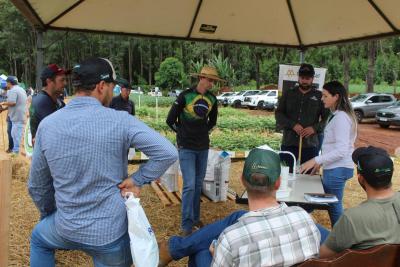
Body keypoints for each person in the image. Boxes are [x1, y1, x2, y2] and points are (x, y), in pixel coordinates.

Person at [28, 57, 178, 267]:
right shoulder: (120, 120)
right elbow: (168, 152)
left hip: (65, 226)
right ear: (101, 86)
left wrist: (49, 214)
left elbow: (36, 185)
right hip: (109, 233)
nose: (113, 91)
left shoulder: (48, 125)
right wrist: (137, 179)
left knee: (39, 240)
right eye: (112, 87)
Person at [158, 148, 321, 267]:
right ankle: (174, 249)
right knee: (238, 216)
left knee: (200, 253)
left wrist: (217, 254)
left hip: (230, 247)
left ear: (242, 180)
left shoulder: (231, 238)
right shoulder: (305, 218)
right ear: (278, 182)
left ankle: (173, 249)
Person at [166, 66, 221, 236]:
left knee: (198, 184)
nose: (212, 83)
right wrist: (181, 133)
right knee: (189, 185)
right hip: (186, 147)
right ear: (201, 78)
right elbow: (170, 120)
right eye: (210, 80)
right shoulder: (184, 96)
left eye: (214, 81)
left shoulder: (212, 99)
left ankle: (196, 218)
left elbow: (212, 121)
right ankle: (185, 224)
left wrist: (203, 132)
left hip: (203, 147)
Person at [320, 146, 399, 258]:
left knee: (315, 228)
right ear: (390, 174)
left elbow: (323, 255)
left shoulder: (352, 217)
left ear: (360, 178)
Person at [301, 81, 357, 226]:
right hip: (334, 166)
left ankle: (339, 239)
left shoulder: (341, 118)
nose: (322, 99)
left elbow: (341, 150)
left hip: (338, 168)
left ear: (336, 97)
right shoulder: (336, 115)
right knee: (331, 203)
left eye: (325, 96)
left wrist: (316, 160)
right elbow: (332, 147)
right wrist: (321, 162)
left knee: (334, 204)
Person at [275, 63, 330, 172]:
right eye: (302, 78)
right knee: (286, 175)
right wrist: (292, 125)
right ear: (298, 78)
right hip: (288, 143)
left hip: (310, 146)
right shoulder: (288, 94)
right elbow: (278, 114)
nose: (305, 81)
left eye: (308, 78)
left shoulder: (320, 96)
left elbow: (327, 119)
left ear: (312, 79)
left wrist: (314, 128)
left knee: (308, 178)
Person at [29, 64, 69, 143]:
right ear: (49, 81)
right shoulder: (43, 102)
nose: (65, 83)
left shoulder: (57, 102)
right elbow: (57, 133)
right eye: (62, 80)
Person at [0, 76, 27, 154]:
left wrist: (2, 103)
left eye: (7, 82)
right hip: (19, 116)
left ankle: (15, 153)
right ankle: (14, 150)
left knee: (15, 135)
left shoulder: (13, 90)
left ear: (9, 83)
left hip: (17, 117)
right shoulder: (21, 89)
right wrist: (4, 109)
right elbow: (15, 104)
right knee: (14, 133)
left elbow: (13, 102)